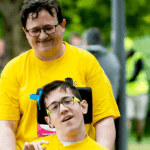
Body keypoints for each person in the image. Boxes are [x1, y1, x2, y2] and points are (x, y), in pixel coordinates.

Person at [0, 1, 120, 150]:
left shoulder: (86, 62)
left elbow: (103, 119)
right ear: (25, 32)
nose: (43, 36)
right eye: (35, 30)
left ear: (62, 25)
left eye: (49, 28)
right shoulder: (13, 70)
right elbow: (5, 126)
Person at [23, 80, 108, 150]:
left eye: (67, 101)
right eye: (54, 107)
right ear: (49, 121)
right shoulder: (38, 148)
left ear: (83, 106)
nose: (63, 109)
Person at [82, 28, 121, 100]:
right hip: (108, 107)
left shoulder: (79, 58)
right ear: (101, 41)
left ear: (86, 42)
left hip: (84, 108)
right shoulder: (112, 59)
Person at [126, 48, 149, 143]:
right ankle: (126, 138)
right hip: (128, 93)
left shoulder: (138, 58)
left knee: (140, 117)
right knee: (128, 116)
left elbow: (136, 73)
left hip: (141, 92)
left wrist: (126, 81)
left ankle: (139, 137)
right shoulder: (122, 59)